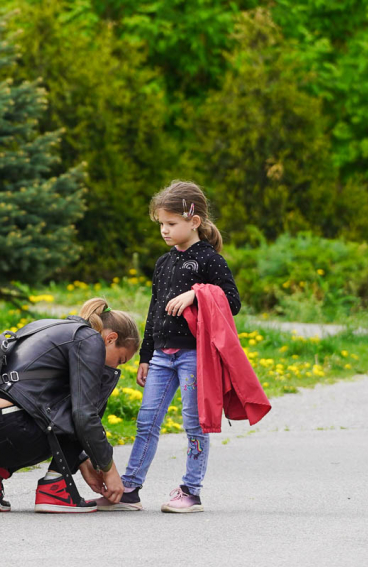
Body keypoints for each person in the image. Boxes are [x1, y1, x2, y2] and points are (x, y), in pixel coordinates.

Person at [113, 180, 241, 514]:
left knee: (194, 424)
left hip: (195, 357)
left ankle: (191, 491)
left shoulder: (209, 261)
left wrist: (198, 293)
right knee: (146, 421)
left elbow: (232, 300)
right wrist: (145, 355)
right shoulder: (163, 263)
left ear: (194, 221)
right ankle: (130, 489)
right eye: (161, 225)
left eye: (172, 224)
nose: (165, 231)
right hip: (161, 357)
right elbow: (155, 310)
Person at [0, 298, 141, 513]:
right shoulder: (89, 339)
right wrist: (109, 469)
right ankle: (55, 488)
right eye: (121, 359)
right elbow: (84, 416)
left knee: (76, 405)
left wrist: (82, 460)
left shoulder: (47, 326)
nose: (117, 367)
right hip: (8, 429)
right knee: (91, 405)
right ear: (110, 338)